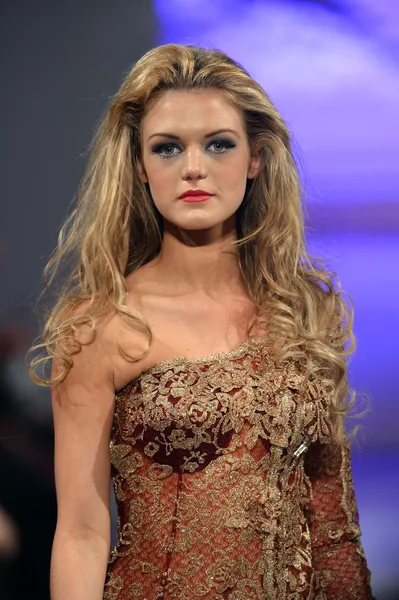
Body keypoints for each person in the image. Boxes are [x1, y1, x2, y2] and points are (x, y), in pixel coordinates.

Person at [29, 44, 375, 600]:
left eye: (219, 144)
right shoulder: (102, 326)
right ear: (140, 168)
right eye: (167, 148)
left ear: (255, 159)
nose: (194, 168)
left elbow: (333, 522)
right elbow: (82, 532)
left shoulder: (306, 310)